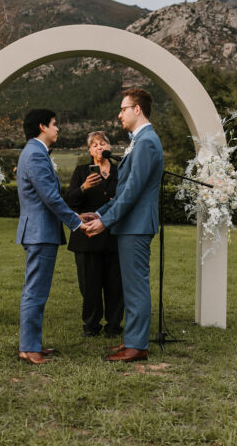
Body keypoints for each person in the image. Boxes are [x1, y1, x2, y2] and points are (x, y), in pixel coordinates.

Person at [82, 88, 164, 362]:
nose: (119, 115)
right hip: (130, 224)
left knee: (136, 285)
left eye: (123, 109)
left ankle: (137, 346)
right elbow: (123, 191)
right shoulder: (139, 141)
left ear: (137, 109)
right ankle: (132, 339)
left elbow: (132, 192)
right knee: (130, 285)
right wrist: (99, 213)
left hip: (136, 225)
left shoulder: (147, 142)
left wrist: (105, 222)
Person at [16, 109, 84, 365]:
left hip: (40, 231)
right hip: (39, 232)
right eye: (55, 124)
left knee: (37, 291)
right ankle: (28, 348)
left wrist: (76, 215)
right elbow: (50, 197)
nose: (58, 129)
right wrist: (76, 223)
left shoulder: (35, 152)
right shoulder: (35, 154)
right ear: (42, 127)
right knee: (35, 291)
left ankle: (32, 343)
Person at [65, 131, 123, 338]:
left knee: (115, 284)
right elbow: (69, 202)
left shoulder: (120, 171)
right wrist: (84, 187)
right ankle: (91, 325)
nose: (99, 147)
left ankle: (114, 326)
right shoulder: (81, 172)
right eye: (95, 145)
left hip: (114, 235)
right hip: (87, 237)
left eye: (103, 143)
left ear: (109, 147)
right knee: (89, 285)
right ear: (89, 150)